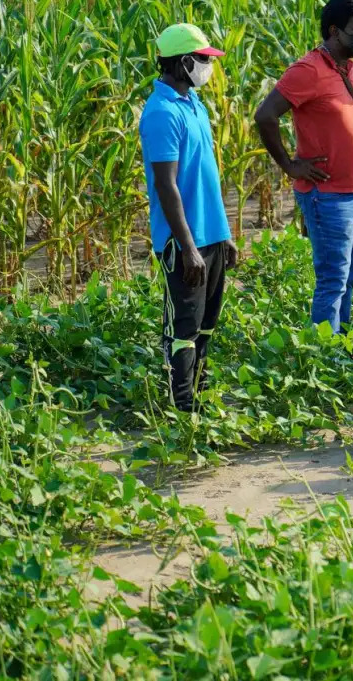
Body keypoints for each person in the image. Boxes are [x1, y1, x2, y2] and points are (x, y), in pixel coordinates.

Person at [254, 0, 353, 333]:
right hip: (330, 196)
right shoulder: (308, 70)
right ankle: (325, 358)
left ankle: (341, 350)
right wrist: (290, 166)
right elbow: (265, 116)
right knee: (333, 280)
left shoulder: (345, 67)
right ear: (334, 32)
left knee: (348, 278)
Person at [139, 23, 238, 413]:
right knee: (183, 329)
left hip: (211, 235)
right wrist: (187, 247)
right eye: (202, 60)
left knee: (206, 325)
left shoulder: (193, 104)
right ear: (183, 63)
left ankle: (200, 400)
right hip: (185, 243)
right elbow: (167, 186)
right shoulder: (162, 113)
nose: (207, 67)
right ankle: (181, 410)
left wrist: (224, 233)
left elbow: (206, 176)